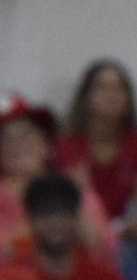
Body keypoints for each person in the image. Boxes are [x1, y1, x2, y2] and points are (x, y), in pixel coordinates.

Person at [0, 93, 114, 267]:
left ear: (46, 143)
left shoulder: (70, 186)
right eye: (6, 139)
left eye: (25, 135)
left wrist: (74, 200)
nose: (16, 145)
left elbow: (105, 249)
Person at [55, 58, 137, 225]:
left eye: (119, 88)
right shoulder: (66, 146)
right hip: (79, 231)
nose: (111, 95)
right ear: (86, 96)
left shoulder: (134, 143)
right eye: (103, 88)